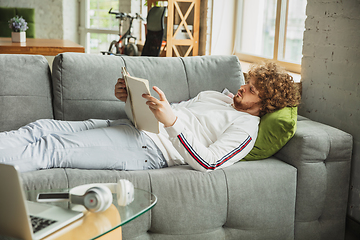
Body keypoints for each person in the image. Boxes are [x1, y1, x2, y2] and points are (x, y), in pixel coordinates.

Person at [0, 62, 300, 172]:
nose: (242, 88)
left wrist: (172, 122)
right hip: (133, 126)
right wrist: (130, 100)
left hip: (149, 149)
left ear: (266, 104)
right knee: (42, 128)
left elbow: (209, 162)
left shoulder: (245, 129)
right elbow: (163, 114)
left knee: (52, 148)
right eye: (247, 82)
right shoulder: (215, 96)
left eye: (251, 91)